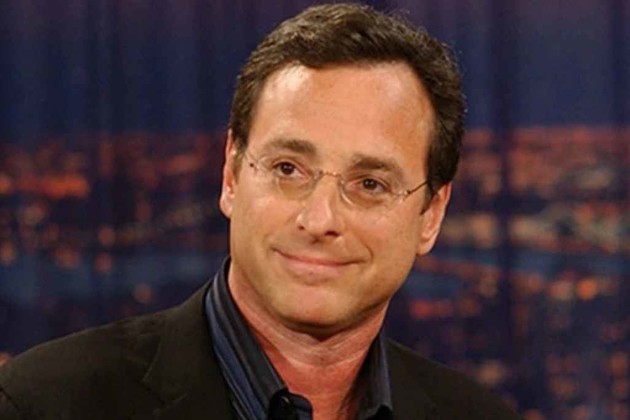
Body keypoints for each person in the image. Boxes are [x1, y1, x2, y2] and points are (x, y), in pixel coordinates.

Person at [0, 3, 521, 419]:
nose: (320, 220)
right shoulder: (44, 404)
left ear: (431, 215)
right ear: (231, 175)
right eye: (288, 169)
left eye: (370, 184)